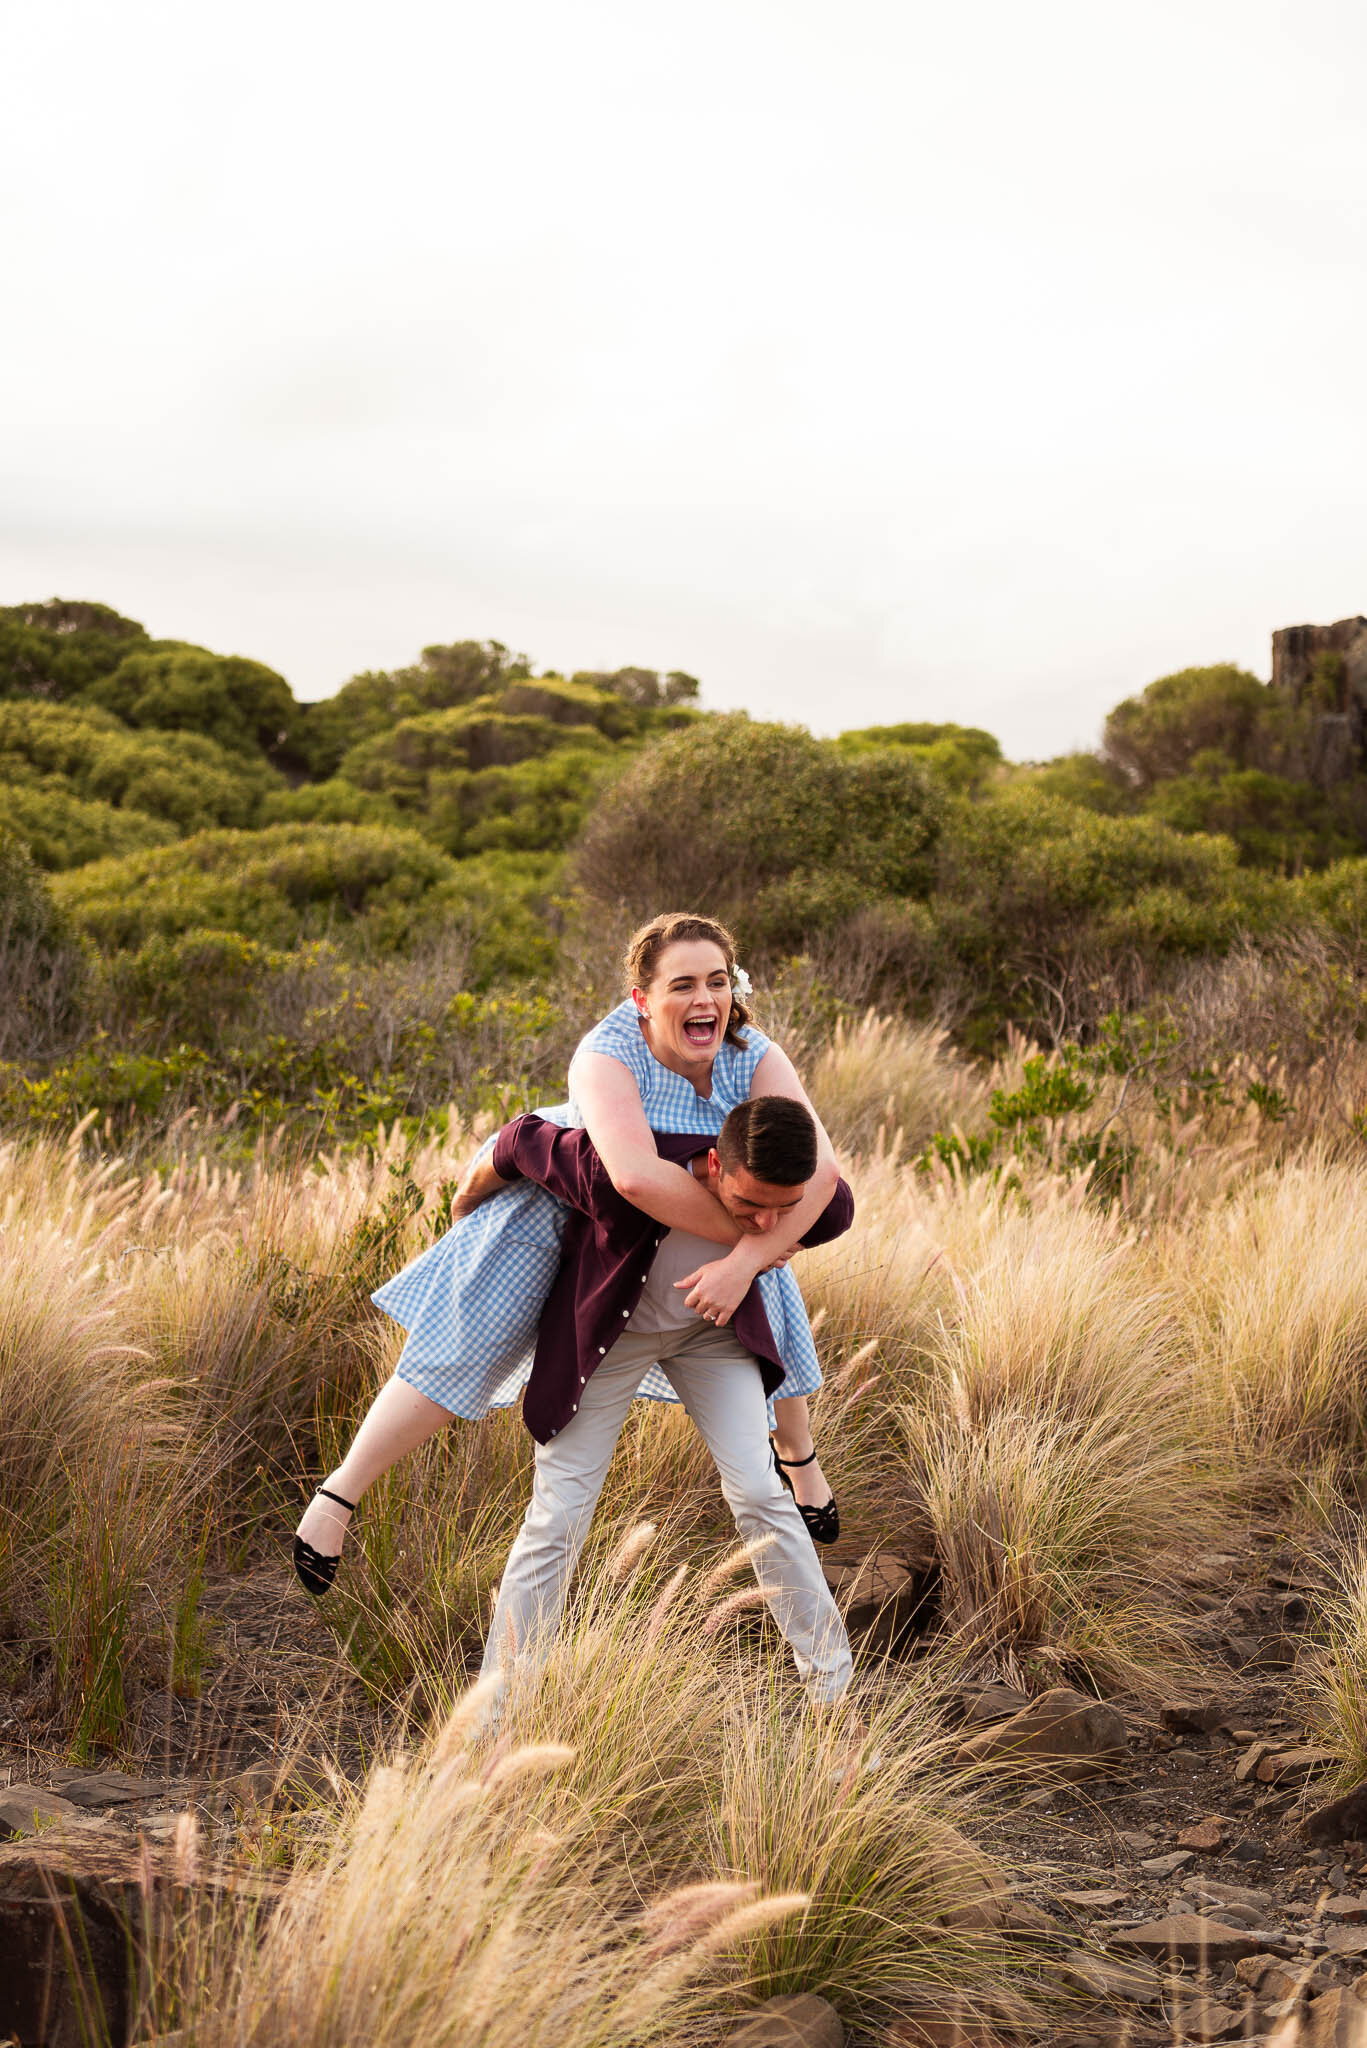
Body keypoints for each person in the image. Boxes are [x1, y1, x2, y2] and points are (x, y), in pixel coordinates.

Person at [293, 912, 841, 1587]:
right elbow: (629, 1178)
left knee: (768, 1303)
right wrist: (758, 1241)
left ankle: (800, 1460)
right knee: (465, 1342)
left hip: (719, 1205)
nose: (705, 998)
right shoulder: (607, 1051)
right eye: (683, 984)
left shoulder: (753, 1052)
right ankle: (339, 1493)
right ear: (641, 998)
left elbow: (823, 1174)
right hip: (580, 1211)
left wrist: (748, 1258)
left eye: (717, 981)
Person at [470, 1095, 855, 1706]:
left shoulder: (807, 1207)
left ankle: (834, 1697)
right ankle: (496, 1715)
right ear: (713, 1164)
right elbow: (521, 1139)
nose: (762, 1225)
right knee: (559, 1514)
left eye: (782, 1211)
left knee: (759, 1490)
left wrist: (760, 1249)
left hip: (713, 1337)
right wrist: (467, 1202)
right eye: (749, 1204)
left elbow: (834, 1209)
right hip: (609, 1340)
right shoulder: (613, 1168)